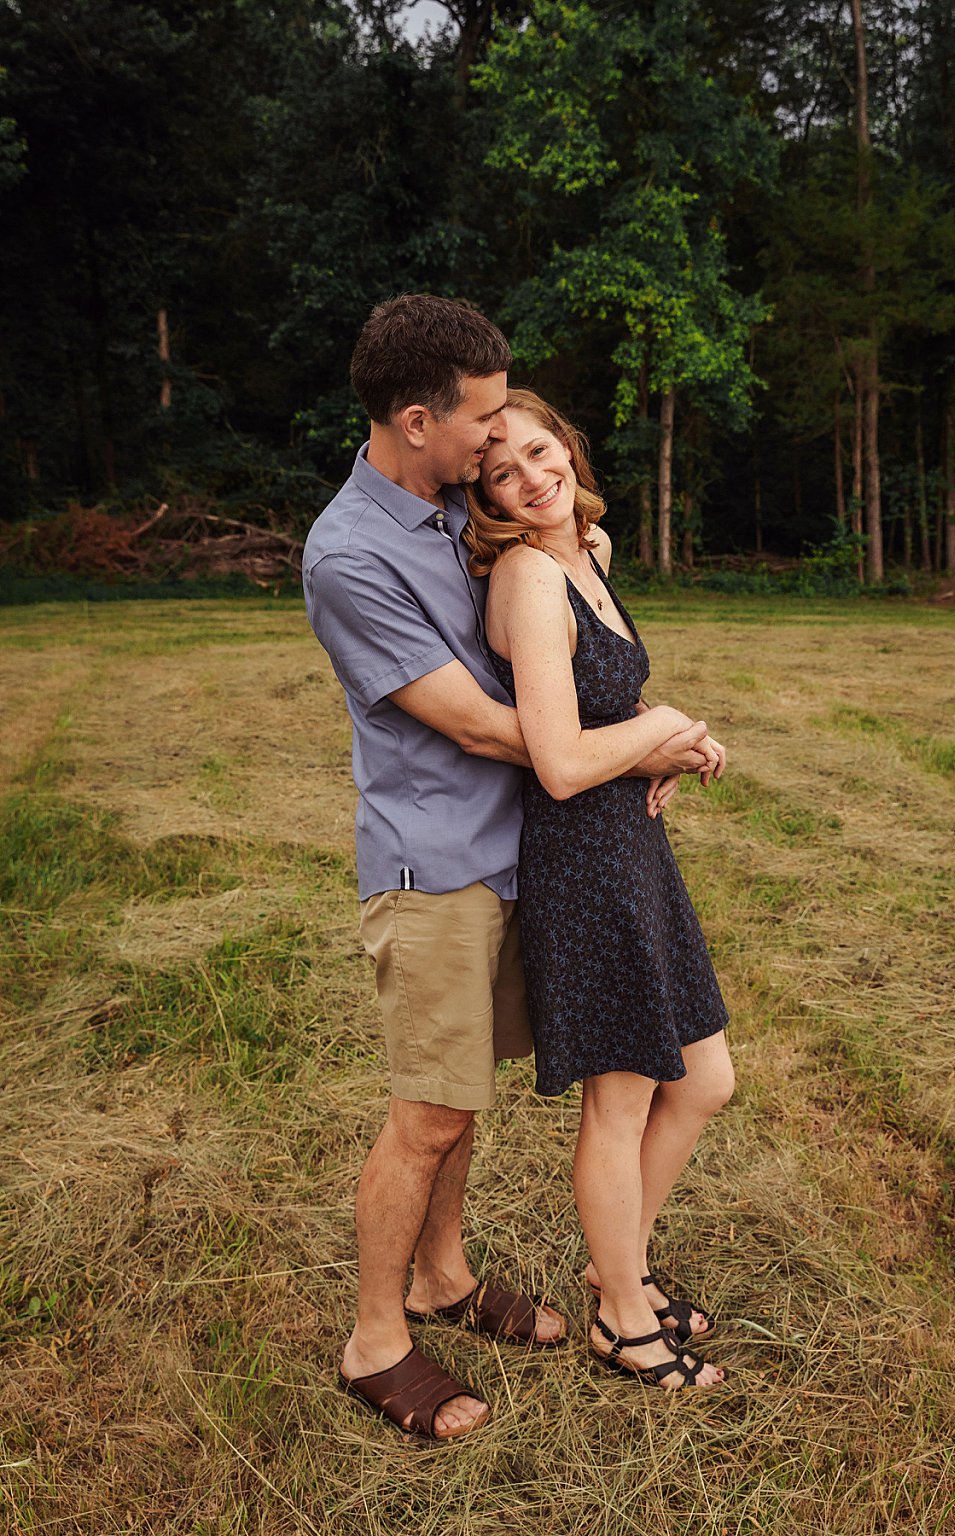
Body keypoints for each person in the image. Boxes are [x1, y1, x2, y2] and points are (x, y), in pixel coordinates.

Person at [304, 295, 713, 1440]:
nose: (497, 445)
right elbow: (494, 731)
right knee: (428, 1113)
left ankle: (443, 1278)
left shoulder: (444, 510)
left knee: (463, 1105)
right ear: (419, 417)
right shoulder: (349, 556)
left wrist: (628, 745)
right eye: (480, 423)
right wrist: (650, 736)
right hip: (436, 867)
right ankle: (376, 1340)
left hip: (522, 853)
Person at [464, 388, 735, 1393]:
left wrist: (677, 742)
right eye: (503, 473)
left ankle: (613, 1263)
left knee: (703, 1081)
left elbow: (608, 725)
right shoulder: (531, 580)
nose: (531, 478)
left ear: (566, 447)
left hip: (633, 852)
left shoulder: (592, 552)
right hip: (580, 861)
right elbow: (563, 760)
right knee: (617, 1106)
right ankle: (621, 1316)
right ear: (486, 495)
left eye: (539, 452)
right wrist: (662, 725)